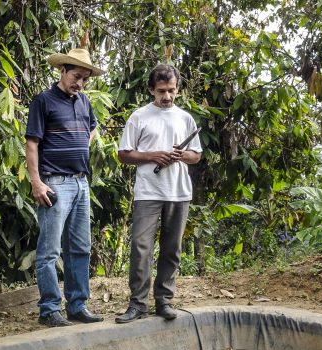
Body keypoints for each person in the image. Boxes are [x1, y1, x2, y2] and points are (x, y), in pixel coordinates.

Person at [115, 64, 202, 323]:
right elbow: (123, 154)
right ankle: (138, 304)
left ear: (177, 89)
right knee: (141, 248)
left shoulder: (185, 118)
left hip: (178, 192)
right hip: (148, 192)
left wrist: (181, 155)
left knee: (172, 248)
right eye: (162, 91)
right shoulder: (139, 117)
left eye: (172, 90)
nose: (167, 96)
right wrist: (153, 155)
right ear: (152, 89)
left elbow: (196, 155)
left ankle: (164, 300)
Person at [25, 48, 106, 327]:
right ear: (62, 71)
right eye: (75, 76)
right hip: (55, 183)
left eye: (85, 79)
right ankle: (49, 310)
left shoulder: (84, 102)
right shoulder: (43, 101)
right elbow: (32, 143)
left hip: (81, 183)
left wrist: (81, 142)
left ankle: (77, 305)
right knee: (49, 251)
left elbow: (92, 127)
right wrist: (37, 182)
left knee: (80, 248)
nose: (80, 83)